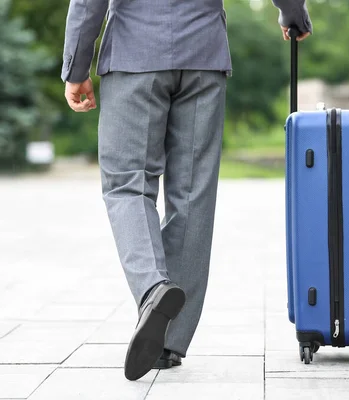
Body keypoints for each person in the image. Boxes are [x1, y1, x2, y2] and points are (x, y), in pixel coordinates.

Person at [61, 0, 312, 381]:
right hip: (203, 55)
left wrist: (76, 68)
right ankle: (167, 340)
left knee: (127, 185)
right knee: (193, 194)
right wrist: (292, 12)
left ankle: (152, 290)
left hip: (134, 53)